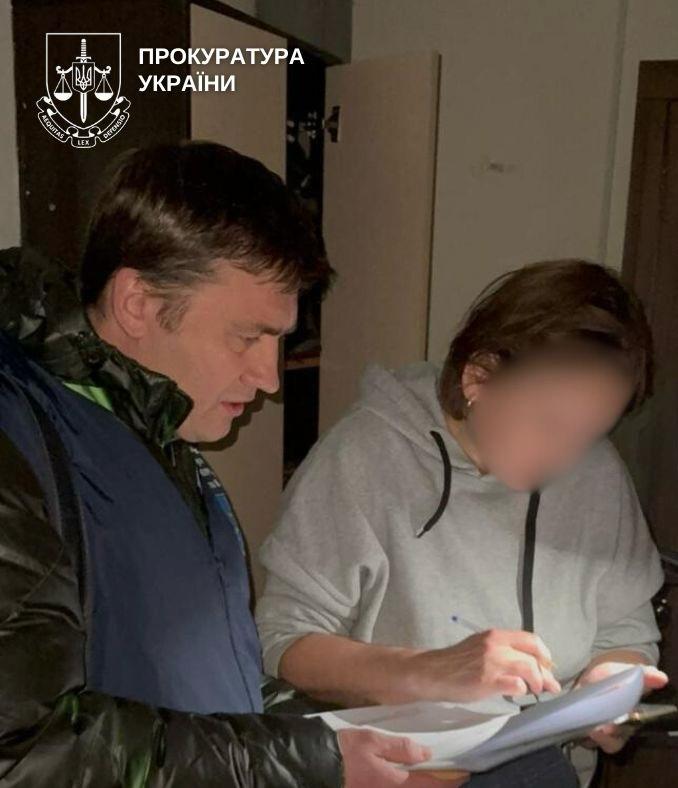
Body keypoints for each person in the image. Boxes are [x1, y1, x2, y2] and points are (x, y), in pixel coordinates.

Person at [0, 142, 462, 786]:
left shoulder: (163, 435)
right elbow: (23, 748)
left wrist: (352, 738)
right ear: (138, 302)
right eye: (247, 337)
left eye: (279, 340)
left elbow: (218, 686)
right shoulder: (17, 437)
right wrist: (315, 761)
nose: (269, 378)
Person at [256, 259, 669, 786]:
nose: (567, 459)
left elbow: (625, 628)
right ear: (478, 377)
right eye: (550, 424)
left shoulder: (598, 473)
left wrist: (609, 683)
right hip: (400, 768)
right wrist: (424, 671)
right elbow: (284, 641)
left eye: (590, 435)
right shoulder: (366, 457)